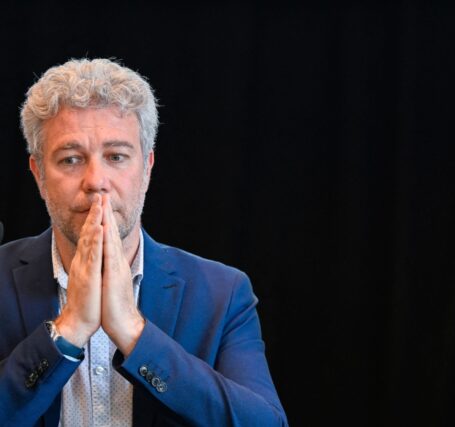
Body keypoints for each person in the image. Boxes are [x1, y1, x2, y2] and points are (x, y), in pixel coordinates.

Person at [0, 58, 288, 427]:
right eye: (71, 160)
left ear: (147, 168)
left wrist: (134, 332)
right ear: (39, 175)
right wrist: (67, 330)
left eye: (116, 157)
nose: (96, 181)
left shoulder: (223, 293)